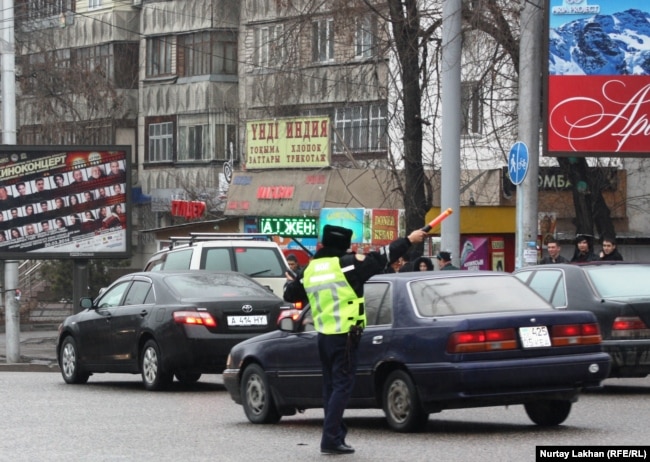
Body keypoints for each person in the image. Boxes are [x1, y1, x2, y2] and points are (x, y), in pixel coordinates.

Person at [283, 224, 427, 455]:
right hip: (346, 336)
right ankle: (330, 438)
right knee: (342, 386)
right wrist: (409, 239)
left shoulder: (311, 269)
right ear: (344, 245)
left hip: (324, 335)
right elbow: (384, 256)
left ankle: (335, 432)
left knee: (331, 387)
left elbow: (290, 294)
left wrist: (294, 279)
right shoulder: (347, 264)